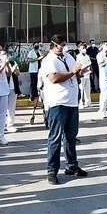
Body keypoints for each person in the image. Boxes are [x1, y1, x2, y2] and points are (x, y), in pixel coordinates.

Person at [40, 35, 88, 184]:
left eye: (65, 44)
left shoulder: (68, 57)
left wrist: (80, 71)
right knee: (55, 137)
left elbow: (74, 74)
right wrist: (73, 72)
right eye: (61, 45)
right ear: (54, 45)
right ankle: (52, 170)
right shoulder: (48, 60)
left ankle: (72, 165)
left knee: (71, 136)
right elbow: (54, 78)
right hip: (57, 102)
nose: (64, 47)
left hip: (72, 102)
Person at [76, 42, 93, 109]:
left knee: (87, 89)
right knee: (81, 89)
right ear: (79, 49)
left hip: (87, 74)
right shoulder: (78, 56)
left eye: (85, 48)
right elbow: (78, 66)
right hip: (81, 74)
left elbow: (90, 64)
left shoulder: (87, 56)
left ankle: (88, 102)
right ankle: (80, 103)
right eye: (83, 48)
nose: (84, 49)